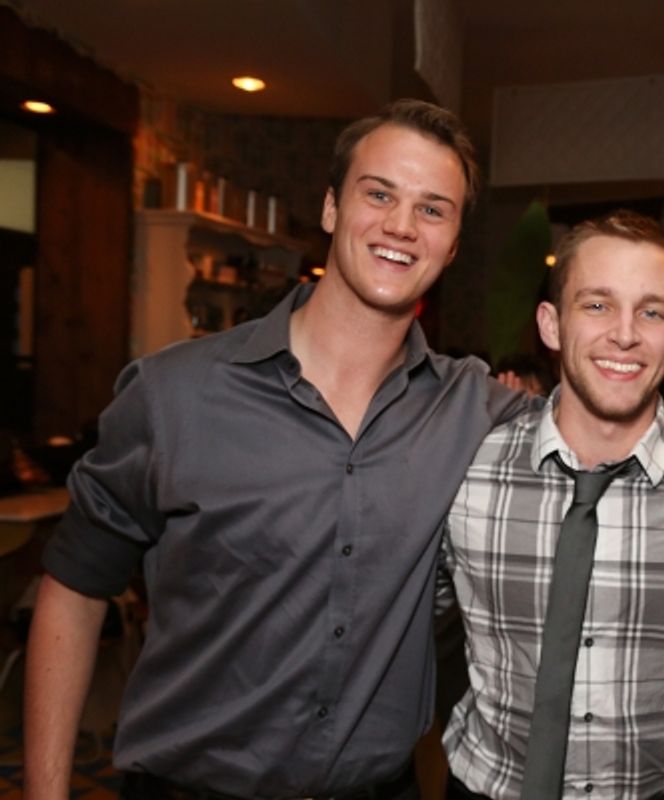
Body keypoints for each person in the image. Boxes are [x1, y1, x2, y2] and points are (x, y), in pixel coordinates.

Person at [24, 99, 533, 800]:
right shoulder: (174, 395)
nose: (400, 226)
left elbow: (619, 440)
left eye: (432, 209)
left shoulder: (474, 411)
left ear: (451, 243)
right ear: (330, 208)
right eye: (378, 194)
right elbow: (75, 589)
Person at [438, 211, 664, 799]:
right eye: (596, 305)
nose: (625, 334)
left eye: (652, 311)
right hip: (487, 787)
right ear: (550, 323)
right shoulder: (465, 471)